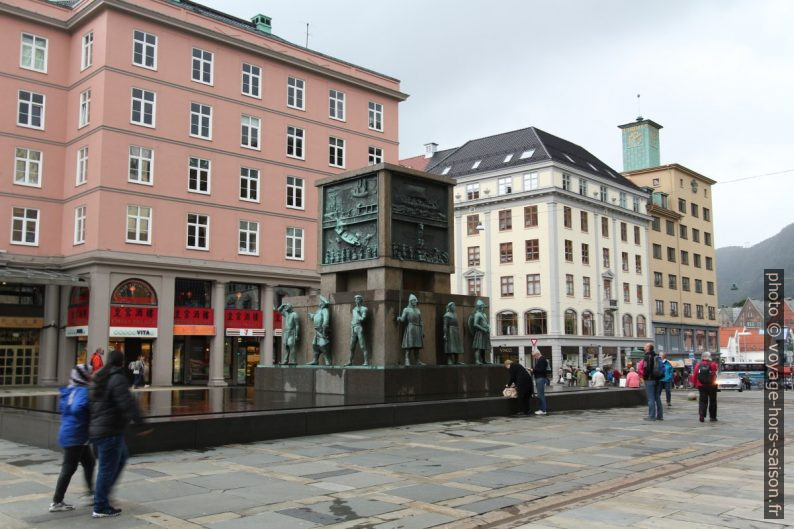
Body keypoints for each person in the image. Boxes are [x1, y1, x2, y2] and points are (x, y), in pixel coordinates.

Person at [89, 350, 145, 518]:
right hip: (109, 431)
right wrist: (141, 423)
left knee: (121, 459)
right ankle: (100, 505)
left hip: (101, 430)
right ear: (121, 363)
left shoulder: (101, 377)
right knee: (107, 468)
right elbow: (127, 404)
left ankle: (102, 495)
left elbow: (91, 403)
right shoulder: (117, 379)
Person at [50, 364, 95, 512]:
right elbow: (77, 408)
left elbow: (63, 408)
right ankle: (57, 501)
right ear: (84, 376)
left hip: (70, 432)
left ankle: (91, 494)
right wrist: (85, 417)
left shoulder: (69, 390)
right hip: (75, 435)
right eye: (89, 373)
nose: (91, 376)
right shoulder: (82, 391)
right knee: (69, 468)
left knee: (89, 462)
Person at [397, 294, 424, 366]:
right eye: (414, 300)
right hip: (410, 328)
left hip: (417, 328)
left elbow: (421, 321)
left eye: (416, 300)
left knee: (417, 346)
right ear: (410, 301)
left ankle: (417, 360)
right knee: (409, 345)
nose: (415, 301)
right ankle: (407, 359)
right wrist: (399, 318)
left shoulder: (418, 310)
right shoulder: (406, 309)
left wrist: (422, 331)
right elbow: (403, 319)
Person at [692, 351, 719, 422]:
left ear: (702, 357)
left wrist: (694, 383)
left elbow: (694, 375)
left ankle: (702, 415)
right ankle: (712, 417)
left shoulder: (698, 365)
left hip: (701, 385)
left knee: (702, 401)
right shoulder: (713, 364)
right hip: (712, 385)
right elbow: (715, 372)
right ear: (709, 357)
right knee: (713, 401)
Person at [641, 342, 663, 421]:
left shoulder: (647, 356)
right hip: (657, 379)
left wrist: (644, 377)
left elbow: (646, 369)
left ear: (648, 348)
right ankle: (660, 416)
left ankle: (651, 416)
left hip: (650, 380)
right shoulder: (656, 356)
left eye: (645, 346)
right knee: (657, 398)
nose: (644, 347)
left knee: (650, 398)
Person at [347, 294, 370, 366]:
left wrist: (358, 313)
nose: (356, 300)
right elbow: (353, 318)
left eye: (357, 299)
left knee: (362, 346)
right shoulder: (354, 309)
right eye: (355, 299)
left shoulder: (364, 309)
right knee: (351, 346)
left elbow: (363, 318)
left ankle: (366, 361)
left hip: (359, 328)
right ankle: (350, 361)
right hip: (353, 328)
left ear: (361, 300)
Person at [307, 296, 331, 365]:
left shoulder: (325, 310)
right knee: (314, 345)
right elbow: (316, 317)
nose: (319, 304)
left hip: (321, 330)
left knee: (323, 345)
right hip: (316, 330)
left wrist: (324, 330)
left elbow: (326, 320)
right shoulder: (318, 311)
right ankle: (315, 360)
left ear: (323, 304)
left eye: (321, 302)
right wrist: (312, 316)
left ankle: (327, 360)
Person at [531, 350, 549, 415]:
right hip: (540, 378)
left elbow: (541, 370)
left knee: (540, 395)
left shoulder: (541, 359)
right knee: (540, 394)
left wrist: (533, 370)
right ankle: (542, 409)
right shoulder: (542, 359)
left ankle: (543, 410)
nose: (534, 357)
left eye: (534, 356)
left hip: (540, 378)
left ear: (537, 354)